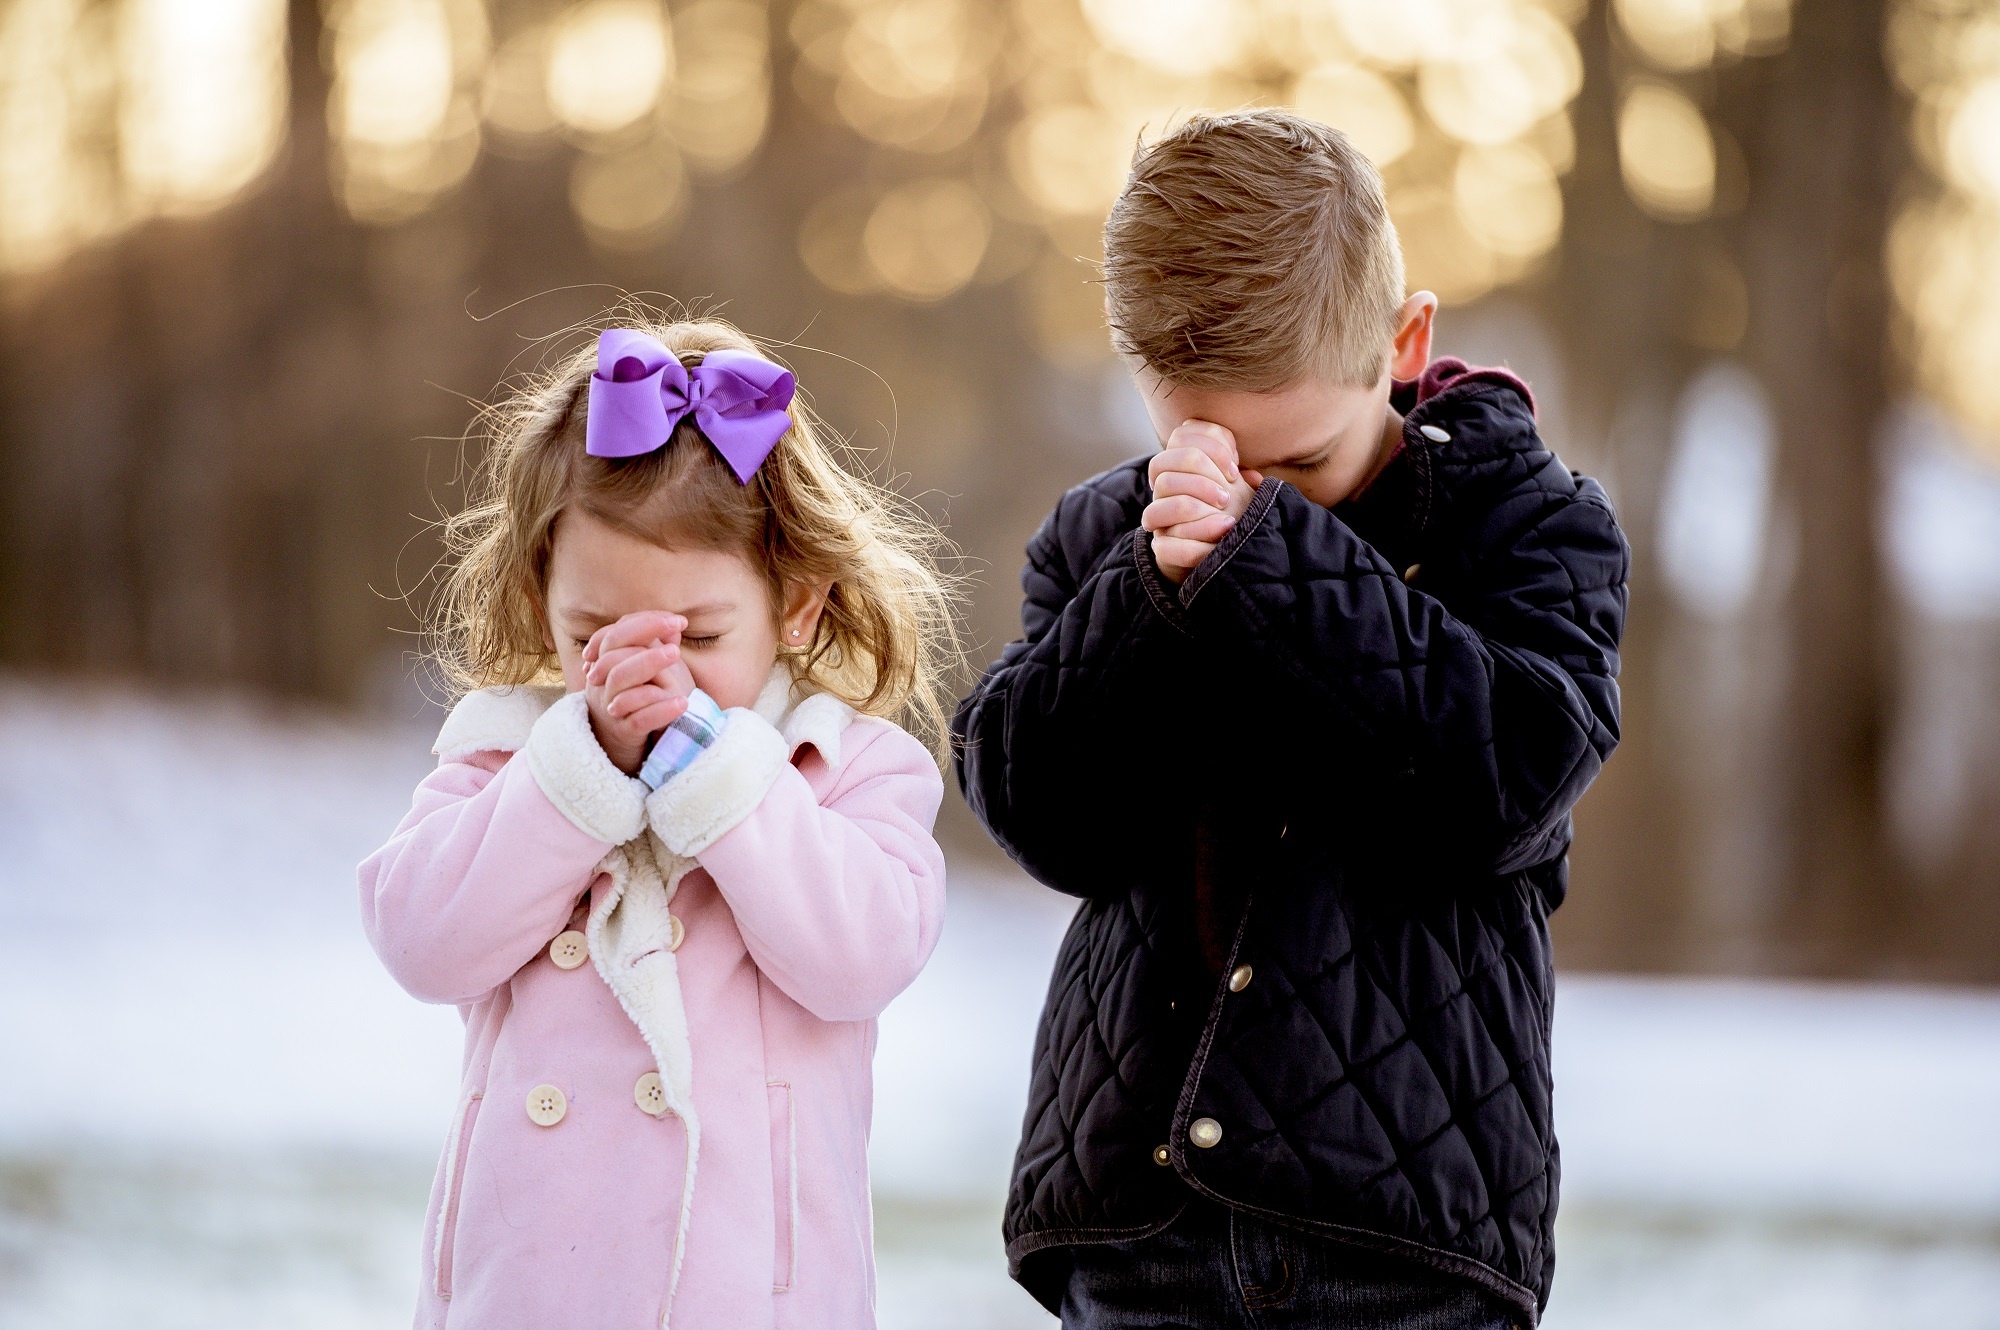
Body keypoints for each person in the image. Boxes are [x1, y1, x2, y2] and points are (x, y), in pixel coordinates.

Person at [954, 111, 1629, 1329]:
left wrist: (1272, 566)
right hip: (1137, 1223)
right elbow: (1045, 814)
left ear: (1403, 342)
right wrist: (1143, 599)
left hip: (1402, 1240)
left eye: (1301, 461)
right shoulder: (1108, 541)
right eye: (1202, 446)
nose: (1245, 495)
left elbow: (1512, 784)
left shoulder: (1527, 523)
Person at [360, 313, 958, 1329]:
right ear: (537, 595)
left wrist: (718, 778)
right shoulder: (507, 758)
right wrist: (571, 778)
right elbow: (422, 942)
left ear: (799, 608)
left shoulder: (842, 772)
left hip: (752, 1300)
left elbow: (860, 955)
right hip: (525, 1296)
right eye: (592, 631)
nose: (647, 670)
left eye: (699, 634)